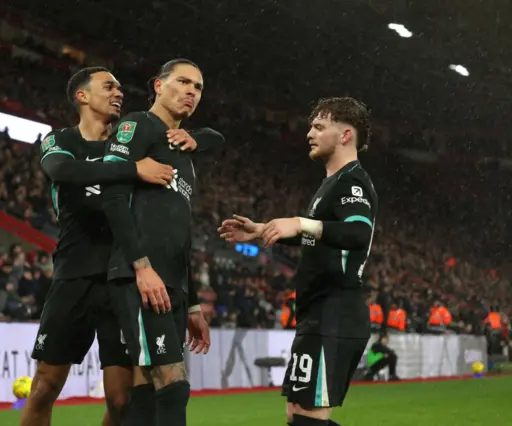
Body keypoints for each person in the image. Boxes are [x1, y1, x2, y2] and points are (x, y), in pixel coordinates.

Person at [21, 66, 215, 426]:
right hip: (76, 273)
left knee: (123, 397)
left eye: (121, 88)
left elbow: (187, 134)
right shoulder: (60, 140)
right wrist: (131, 169)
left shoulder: (128, 140)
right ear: (82, 96)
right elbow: (63, 172)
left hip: (122, 274)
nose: (118, 93)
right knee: (46, 385)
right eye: (108, 86)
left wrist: (199, 138)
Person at [218, 96, 376, 426]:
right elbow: (321, 237)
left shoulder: (353, 180)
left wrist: (301, 222)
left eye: (319, 126)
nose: (309, 133)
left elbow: (358, 233)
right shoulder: (330, 184)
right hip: (317, 313)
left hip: (335, 311)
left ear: (346, 134)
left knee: (308, 419)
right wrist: (264, 231)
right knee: (297, 416)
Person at [101, 58, 222, 426]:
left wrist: (193, 304)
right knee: (172, 384)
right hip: (142, 276)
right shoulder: (138, 124)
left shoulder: (185, 155)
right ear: (158, 85)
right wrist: (141, 265)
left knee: (147, 388)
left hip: (172, 284)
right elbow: (110, 195)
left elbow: (178, 231)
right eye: (183, 82)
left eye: (198, 87)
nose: (191, 91)